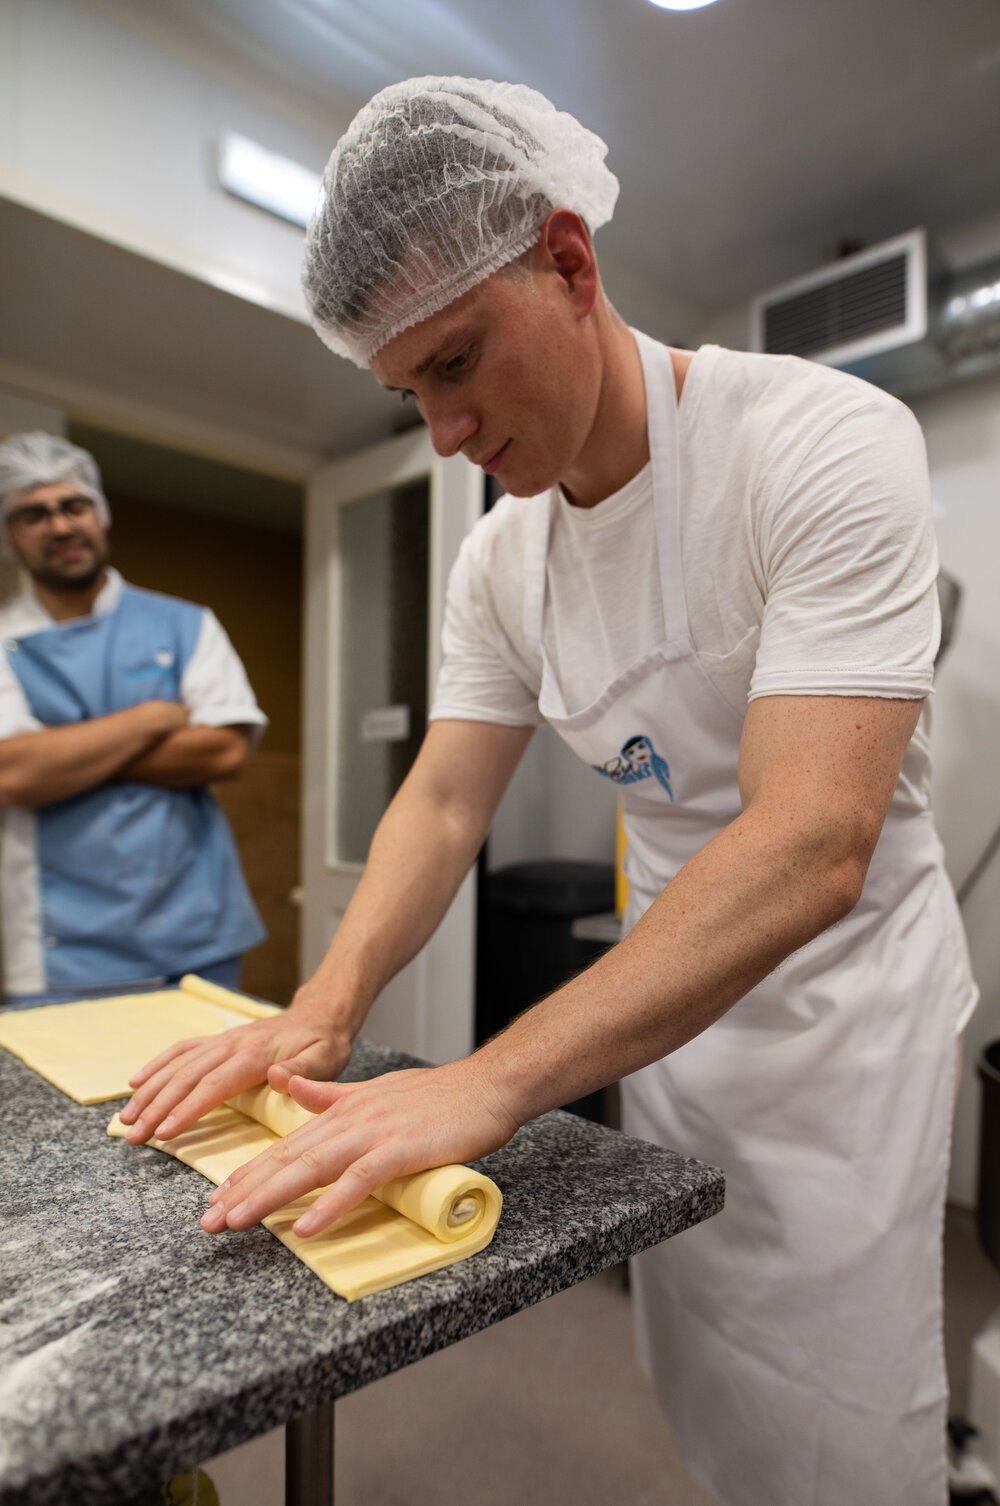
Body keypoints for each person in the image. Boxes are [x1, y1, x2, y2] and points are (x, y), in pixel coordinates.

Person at [119, 79, 976, 1506]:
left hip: (845, 1021)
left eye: (458, 362)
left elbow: (815, 838)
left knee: (839, 1414)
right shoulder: (501, 564)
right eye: (409, 394)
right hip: (668, 1006)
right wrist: (322, 1009)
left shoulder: (819, 444)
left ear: (570, 264)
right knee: (705, 1369)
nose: (445, 434)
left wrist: (488, 1079)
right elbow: (445, 802)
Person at [0, 432, 267, 1003]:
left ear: (100, 514)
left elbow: (223, 751)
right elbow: (13, 775)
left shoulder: (185, 624)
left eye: (75, 505)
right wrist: (150, 718)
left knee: (209, 1092)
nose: (60, 525)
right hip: (59, 951)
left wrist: (61, 757)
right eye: (32, 514)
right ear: (8, 535)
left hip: (195, 931)